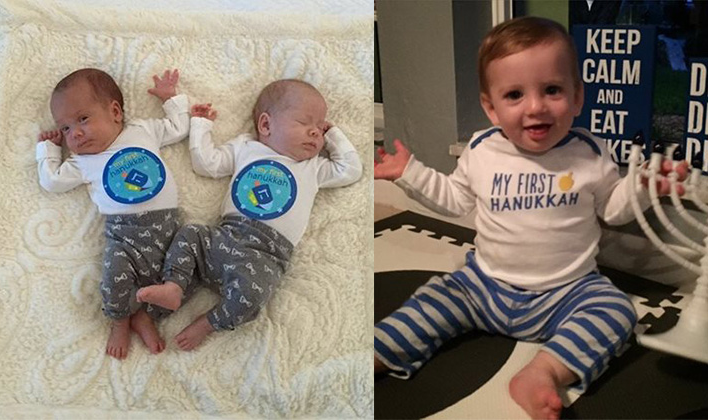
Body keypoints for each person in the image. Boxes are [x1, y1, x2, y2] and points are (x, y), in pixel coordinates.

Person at [373, 17, 686, 420]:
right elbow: (454, 199)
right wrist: (410, 173)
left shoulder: (589, 152)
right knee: (430, 301)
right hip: (482, 286)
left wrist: (643, 187)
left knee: (617, 311)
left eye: (552, 90)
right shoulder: (483, 150)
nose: (536, 107)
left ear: (577, 98)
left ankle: (543, 371)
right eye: (515, 94)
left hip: (568, 291)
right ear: (491, 107)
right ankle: (377, 353)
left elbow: (611, 208)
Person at [135, 79, 363, 351]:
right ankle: (168, 291)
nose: (316, 132)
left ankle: (209, 322)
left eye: (320, 126)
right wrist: (201, 126)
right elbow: (207, 164)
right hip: (224, 235)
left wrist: (334, 133)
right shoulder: (246, 148)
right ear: (266, 125)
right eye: (305, 123)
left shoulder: (314, 168)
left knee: (253, 295)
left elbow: (351, 169)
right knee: (190, 234)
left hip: (265, 255)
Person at [36, 68, 199, 359]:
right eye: (65, 129)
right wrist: (48, 148)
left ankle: (146, 316)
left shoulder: (141, 131)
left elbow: (179, 128)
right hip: (125, 237)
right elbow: (52, 181)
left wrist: (170, 99)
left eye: (82, 119)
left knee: (191, 270)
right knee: (114, 274)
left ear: (114, 111)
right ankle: (120, 319)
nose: (75, 133)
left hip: (170, 231)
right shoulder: (82, 161)